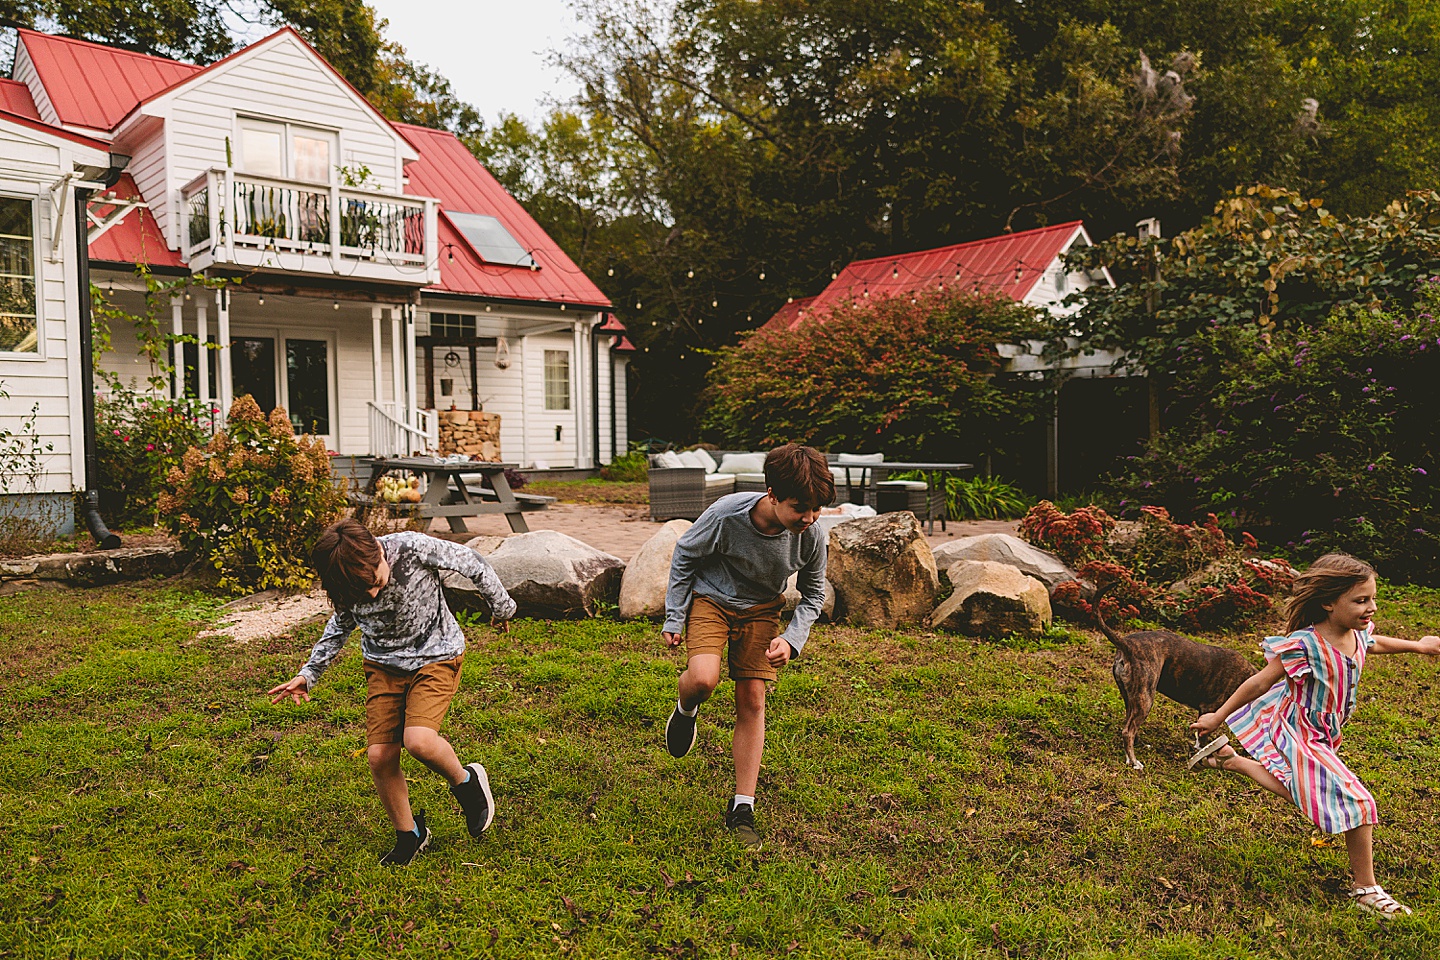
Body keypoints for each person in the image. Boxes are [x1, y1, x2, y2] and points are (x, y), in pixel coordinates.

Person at [1191, 553, 1440, 917]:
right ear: (1327, 603)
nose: (1371, 607)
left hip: (1326, 734)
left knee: (1309, 792)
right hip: (1299, 731)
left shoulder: (1356, 633)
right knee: (1358, 802)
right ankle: (1366, 888)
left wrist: (1418, 646)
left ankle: (1232, 761)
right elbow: (1260, 681)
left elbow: (1376, 643)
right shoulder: (1305, 644)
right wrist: (1218, 716)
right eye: (1360, 600)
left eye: (1372, 598)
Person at [268, 518, 516, 866]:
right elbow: (338, 627)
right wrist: (308, 674)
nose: (371, 594)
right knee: (380, 756)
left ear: (378, 554)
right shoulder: (348, 582)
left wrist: (502, 606)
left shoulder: (412, 548)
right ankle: (410, 834)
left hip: (437, 656)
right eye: (361, 592)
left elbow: (472, 562)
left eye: (376, 582)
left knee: (419, 741)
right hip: (384, 668)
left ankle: (467, 782)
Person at [661, 443, 834, 850]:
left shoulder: (810, 535)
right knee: (703, 679)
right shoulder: (726, 515)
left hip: (761, 610)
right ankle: (686, 709)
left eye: (816, 510)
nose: (808, 519)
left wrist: (792, 639)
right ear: (772, 494)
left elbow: (813, 594)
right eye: (800, 508)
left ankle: (742, 806)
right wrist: (674, 614)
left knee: (753, 700)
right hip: (711, 601)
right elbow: (685, 553)